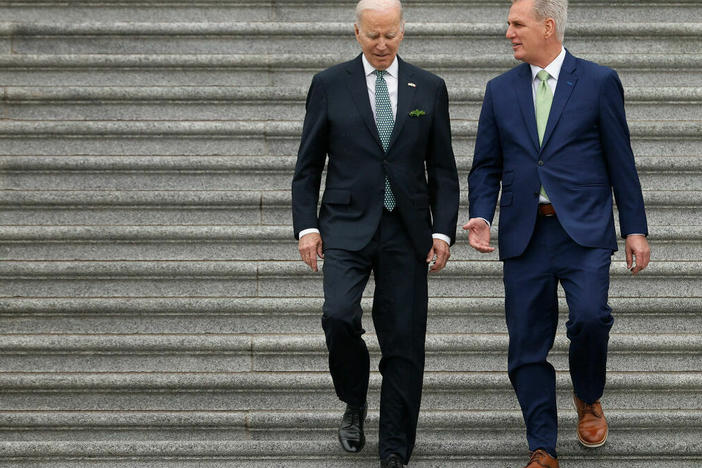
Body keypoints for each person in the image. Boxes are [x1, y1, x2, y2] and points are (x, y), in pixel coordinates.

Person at [463, 0, 651, 466]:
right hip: (525, 234)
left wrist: (635, 229)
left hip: (583, 230)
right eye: (509, 23)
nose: (508, 32)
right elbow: (486, 164)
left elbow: (620, 160)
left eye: (516, 23)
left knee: (589, 318)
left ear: (548, 27)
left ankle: (588, 397)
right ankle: (542, 446)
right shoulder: (500, 90)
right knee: (526, 342)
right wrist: (483, 214)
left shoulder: (598, 81)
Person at [291, 0, 459, 466]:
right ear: (356, 33)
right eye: (373, 36)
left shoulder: (428, 86)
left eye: (390, 35)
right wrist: (307, 227)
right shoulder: (329, 85)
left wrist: (443, 232)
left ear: (403, 31)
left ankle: (395, 449)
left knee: (404, 338)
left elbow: (442, 170)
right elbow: (307, 168)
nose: (382, 45)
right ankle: (354, 397)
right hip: (344, 225)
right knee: (339, 316)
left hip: (407, 231)